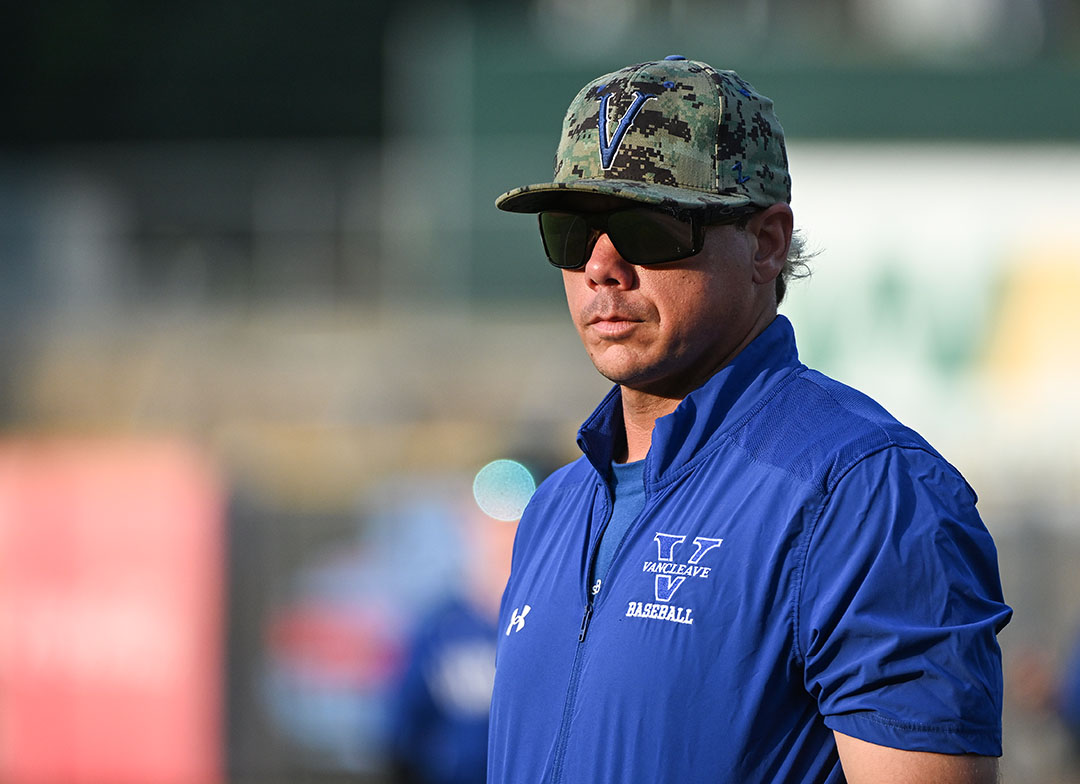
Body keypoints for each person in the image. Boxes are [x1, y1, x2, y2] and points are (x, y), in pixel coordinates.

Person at [487, 56, 1011, 784]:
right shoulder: (556, 506)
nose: (602, 267)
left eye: (646, 226)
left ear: (766, 243)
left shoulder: (866, 494)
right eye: (572, 234)